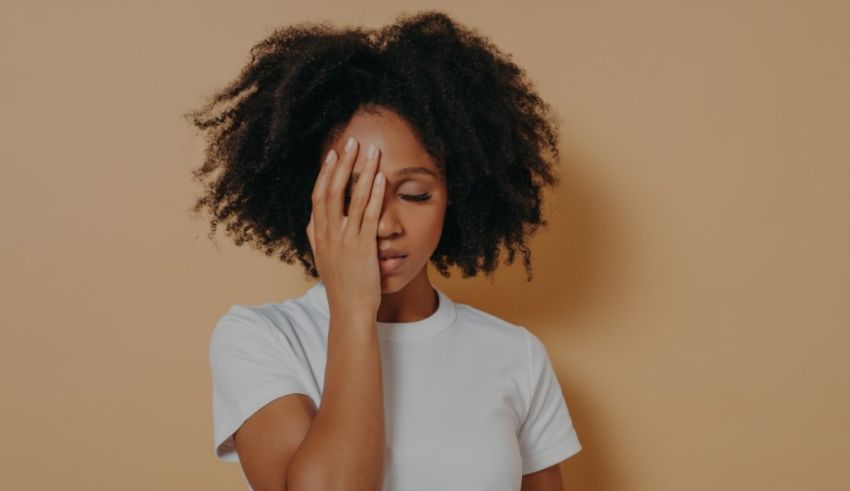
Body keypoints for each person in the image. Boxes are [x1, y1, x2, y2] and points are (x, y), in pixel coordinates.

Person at [186, 9, 582, 491]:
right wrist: (353, 307)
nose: (386, 224)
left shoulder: (514, 355)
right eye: (352, 195)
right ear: (307, 195)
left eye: (414, 194)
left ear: (456, 196)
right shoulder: (260, 339)